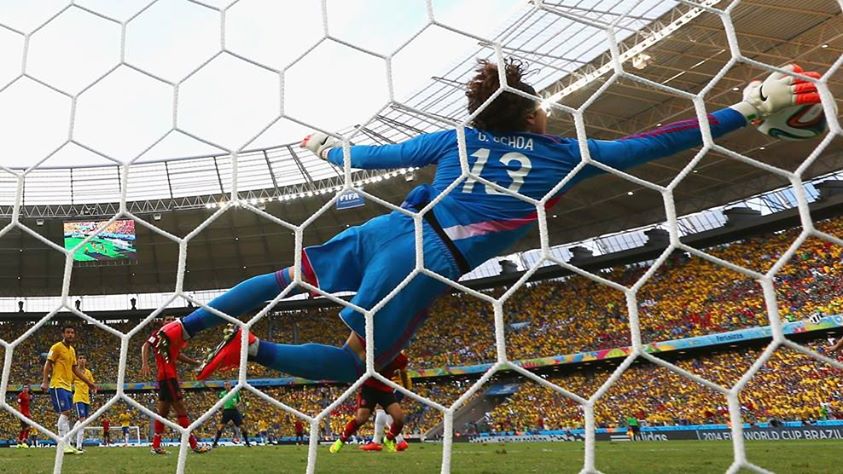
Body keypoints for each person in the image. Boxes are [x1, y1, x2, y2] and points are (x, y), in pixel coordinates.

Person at [153, 59, 821, 386]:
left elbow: (362, 157)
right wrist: (745, 110)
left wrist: (322, 146)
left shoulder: (455, 142)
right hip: (427, 258)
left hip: (386, 231)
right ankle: (257, 351)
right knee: (361, 368)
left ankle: (187, 325)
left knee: (283, 276)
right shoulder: (563, 157)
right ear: (529, 114)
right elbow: (658, 143)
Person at [141, 315, 210, 455]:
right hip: (168, 377)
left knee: (163, 413)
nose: (170, 321)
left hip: (166, 378)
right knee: (181, 410)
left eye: (173, 319)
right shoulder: (159, 334)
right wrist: (145, 363)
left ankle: (155, 446)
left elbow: (177, 355)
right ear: (162, 322)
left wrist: (195, 362)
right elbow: (145, 345)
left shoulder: (172, 338)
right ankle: (194, 444)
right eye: (167, 319)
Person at [331, 352, 411, 453]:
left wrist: (406, 389)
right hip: (368, 388)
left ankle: (388, 439)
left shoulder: (400, 358)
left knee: (399, 419)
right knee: (361, 419)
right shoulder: (375, 350)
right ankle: (341, 440)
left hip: (385, 390)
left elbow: (403, 372)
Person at [41, 325, 97, 455]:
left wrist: (89, 383)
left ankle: (67, 444)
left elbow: (75, 369)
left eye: (72, 332)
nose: (70, 335)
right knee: (65, 412)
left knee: (67, 414)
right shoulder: (56, 347)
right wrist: (45, 381)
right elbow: (48, 364)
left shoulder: (72, 350)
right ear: (63, 334)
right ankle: (63, 444)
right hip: (57, 384)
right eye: (68, 332)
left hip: (67, 386)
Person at [211, 381, 252, 448]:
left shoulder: (235, 392)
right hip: (226, 411)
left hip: (234, 411)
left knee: (242, 427)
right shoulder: (222, 393)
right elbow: (219, 401)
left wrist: (237, 405)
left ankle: (247, 443)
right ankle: (215, 443)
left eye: (228, 384)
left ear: (230, 385)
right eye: (225, 385)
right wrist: (221, 407)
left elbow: (239, 401)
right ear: (224, 386)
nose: (227, 386)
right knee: (220, 427)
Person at [71, 354, 95, 452]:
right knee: (82, 421)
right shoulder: (74, 372)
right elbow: (69, 381)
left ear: (86, 360)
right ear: (77, 360)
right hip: (78, 398)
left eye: (83, 358)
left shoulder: (88, 372)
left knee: (82, 421)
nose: (82, 360)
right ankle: (79, 446)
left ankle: (70, 437)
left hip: (86, 399)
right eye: (80, 358)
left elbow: (92, 384)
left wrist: (93, 390)